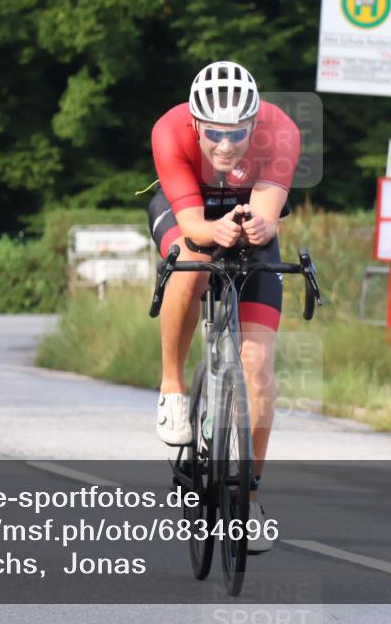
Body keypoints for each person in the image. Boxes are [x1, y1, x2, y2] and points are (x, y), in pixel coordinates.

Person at [148, 61, 300, 553]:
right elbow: (193, 223)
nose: (225, 143)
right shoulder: (169, 130)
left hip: (245, 204)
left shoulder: (281, 130)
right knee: (191, 259)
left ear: (255, 121)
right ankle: (172, 385)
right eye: (213, 131)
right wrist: (211, 233)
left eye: (237, 131)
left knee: (257, 367)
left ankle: (248, 495)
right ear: (195, 123)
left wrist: (260, 227)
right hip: (188, 209)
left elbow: (268, 211)